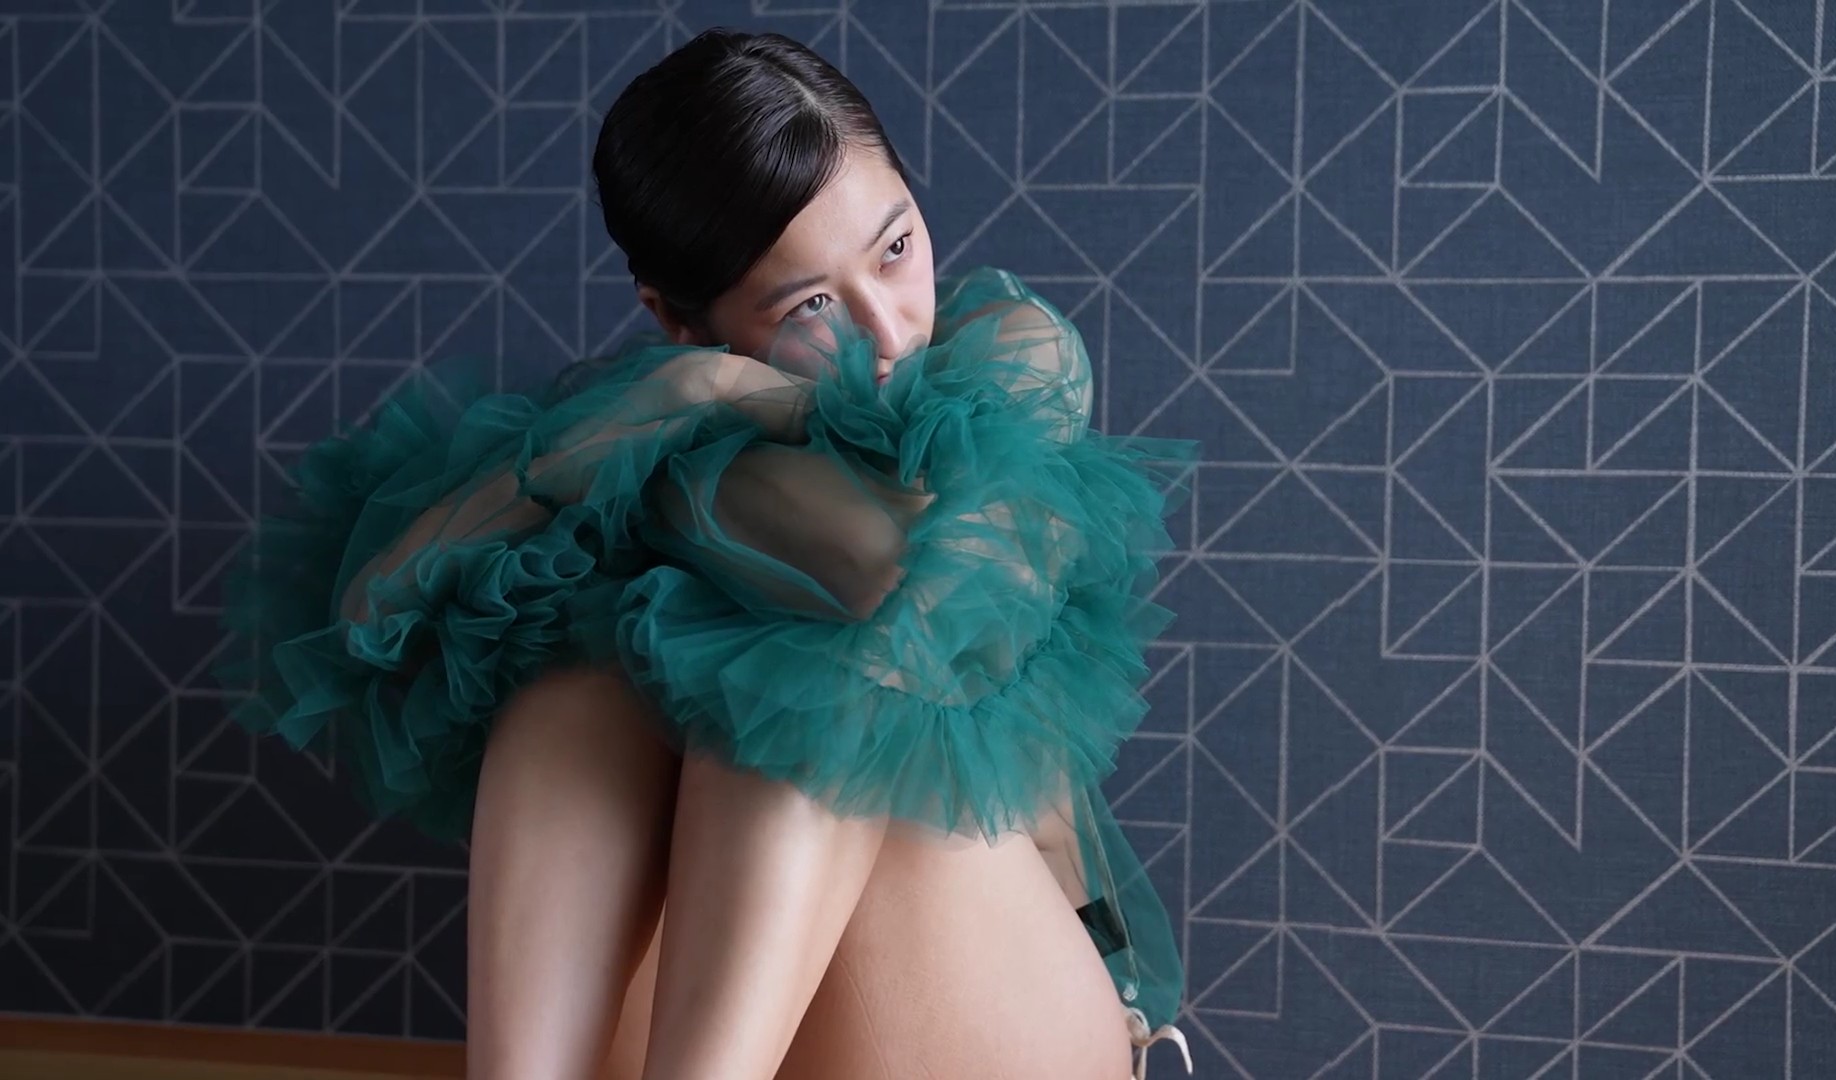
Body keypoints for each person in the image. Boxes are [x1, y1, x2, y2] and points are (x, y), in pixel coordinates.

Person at [222, 28, 1196, 1080]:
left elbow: (895, 579)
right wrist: (684, 404)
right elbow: (370, 612)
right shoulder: (662, 415)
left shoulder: (1007, 348)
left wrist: (711, 409)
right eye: (811, 305)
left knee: (790, 684)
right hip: (725, 1021)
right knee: (581, 677)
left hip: (992, 1007)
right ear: (679, 321)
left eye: (896, 246)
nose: (885, 332)